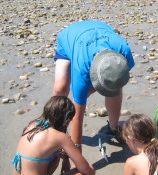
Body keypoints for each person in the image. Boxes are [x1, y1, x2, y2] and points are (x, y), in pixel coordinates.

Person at [53, 20, 135, 150]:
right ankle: (55, 128)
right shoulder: (81, 69)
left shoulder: (124, 53)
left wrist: (100, 88)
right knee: (60, 89)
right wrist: (77, 158)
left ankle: (114, 128)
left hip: (100, 28)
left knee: (114, 86)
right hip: (70, 37)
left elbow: (116, 80)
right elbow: (77, 117)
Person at [10, 96, 95, 175]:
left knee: (54, 156)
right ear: (66, 119)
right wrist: (69, 153)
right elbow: (85, 169)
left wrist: (64, 158)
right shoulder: (60, 137)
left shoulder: (32, 125)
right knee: (90, 171)